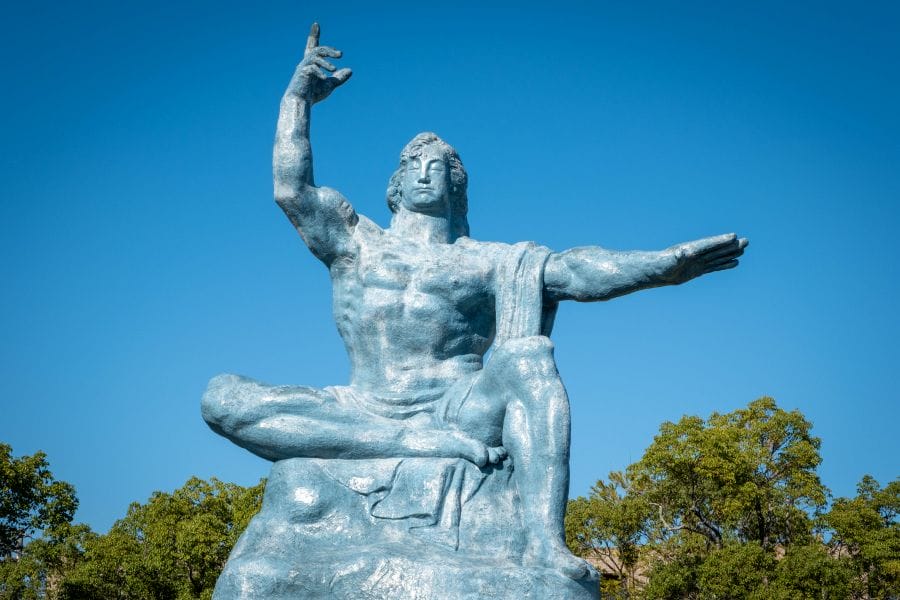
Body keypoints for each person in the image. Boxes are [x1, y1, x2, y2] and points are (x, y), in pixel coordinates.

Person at [202, 23, 747, 579]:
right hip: (362, 406)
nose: (422, 173)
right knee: (221, 397)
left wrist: (662, 266)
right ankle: (407, 441)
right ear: (394, 184)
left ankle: (542, 544)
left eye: (436, 166)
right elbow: (291, 190)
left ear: (456, 186)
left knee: (527, 360)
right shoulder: (355, 241)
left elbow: (577, 269)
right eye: (411, 165)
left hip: (455, 406)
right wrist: (296, 101)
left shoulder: (489, 260)